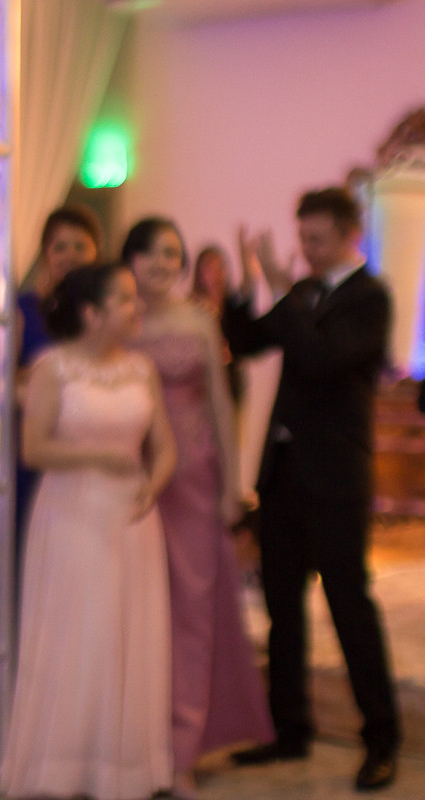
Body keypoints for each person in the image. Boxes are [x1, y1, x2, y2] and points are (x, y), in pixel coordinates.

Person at [225, 187, 400, 792]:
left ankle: (381, 739)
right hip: (283, 477)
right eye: (302, 238)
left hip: (336, 478)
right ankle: (289, 730)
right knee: (282, 611)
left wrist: (282, 289)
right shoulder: (300, 292)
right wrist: (248, 285)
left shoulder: (371, 297)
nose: (305, 249)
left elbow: (322, 357)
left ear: (351, 235)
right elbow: (247, 341)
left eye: (317, 239)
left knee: (349, 607)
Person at [0, 262, 177, 800]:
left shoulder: (142, 368)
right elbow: (34, 449)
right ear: (92, 313)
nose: (136, 307)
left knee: (128, 632)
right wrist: (101, 456)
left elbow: (165, 445)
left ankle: (123, 768)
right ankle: (63, 766)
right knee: (79, 633)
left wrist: (153, 484)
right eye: (124, 299)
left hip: (132, 517)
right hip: (71, 515)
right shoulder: (52, 367)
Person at [122, 218, 273, 797]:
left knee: (191, 613)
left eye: (172, 254)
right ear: (130, 260)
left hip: (194, 483)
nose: (163, 264)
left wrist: (234, 486)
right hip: (135, 478)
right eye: (151, 253)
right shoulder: (120, 321)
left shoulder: (199, 321)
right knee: (139, 613)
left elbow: (219, 403)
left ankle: (182, 751)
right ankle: (136, 745)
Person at [14, 204, 101, 528]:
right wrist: (39, 398)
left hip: (89, 449)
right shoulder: (23, 310)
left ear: (96, 253)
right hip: (34, 448)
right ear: (45, 254)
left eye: (80, 246)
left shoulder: (101, 316)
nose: (70, 255)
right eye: (60, 247)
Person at [190, 244, 242, 403]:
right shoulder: (193, 307)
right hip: (203, 383)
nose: (216, 274)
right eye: (209, 268)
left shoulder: (231, 306)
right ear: (199, 274)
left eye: (220, 267)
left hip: (230, 378)